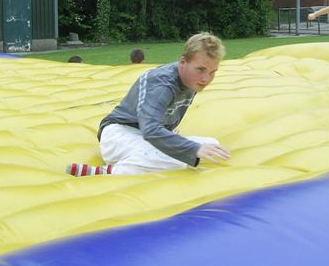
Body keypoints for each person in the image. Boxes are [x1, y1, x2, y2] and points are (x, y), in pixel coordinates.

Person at [66, 32, 230, 176]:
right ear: (182, 62)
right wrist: (190, 149)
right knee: (177, 160)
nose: (206, 79)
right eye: (200, 69)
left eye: (212, 72)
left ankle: (137, 162)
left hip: (144, 137)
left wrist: (171, 134)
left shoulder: (192, 80)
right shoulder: (161, 84)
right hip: (119, 133)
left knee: (212, 145)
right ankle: (109, 172)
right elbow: (150, 129)